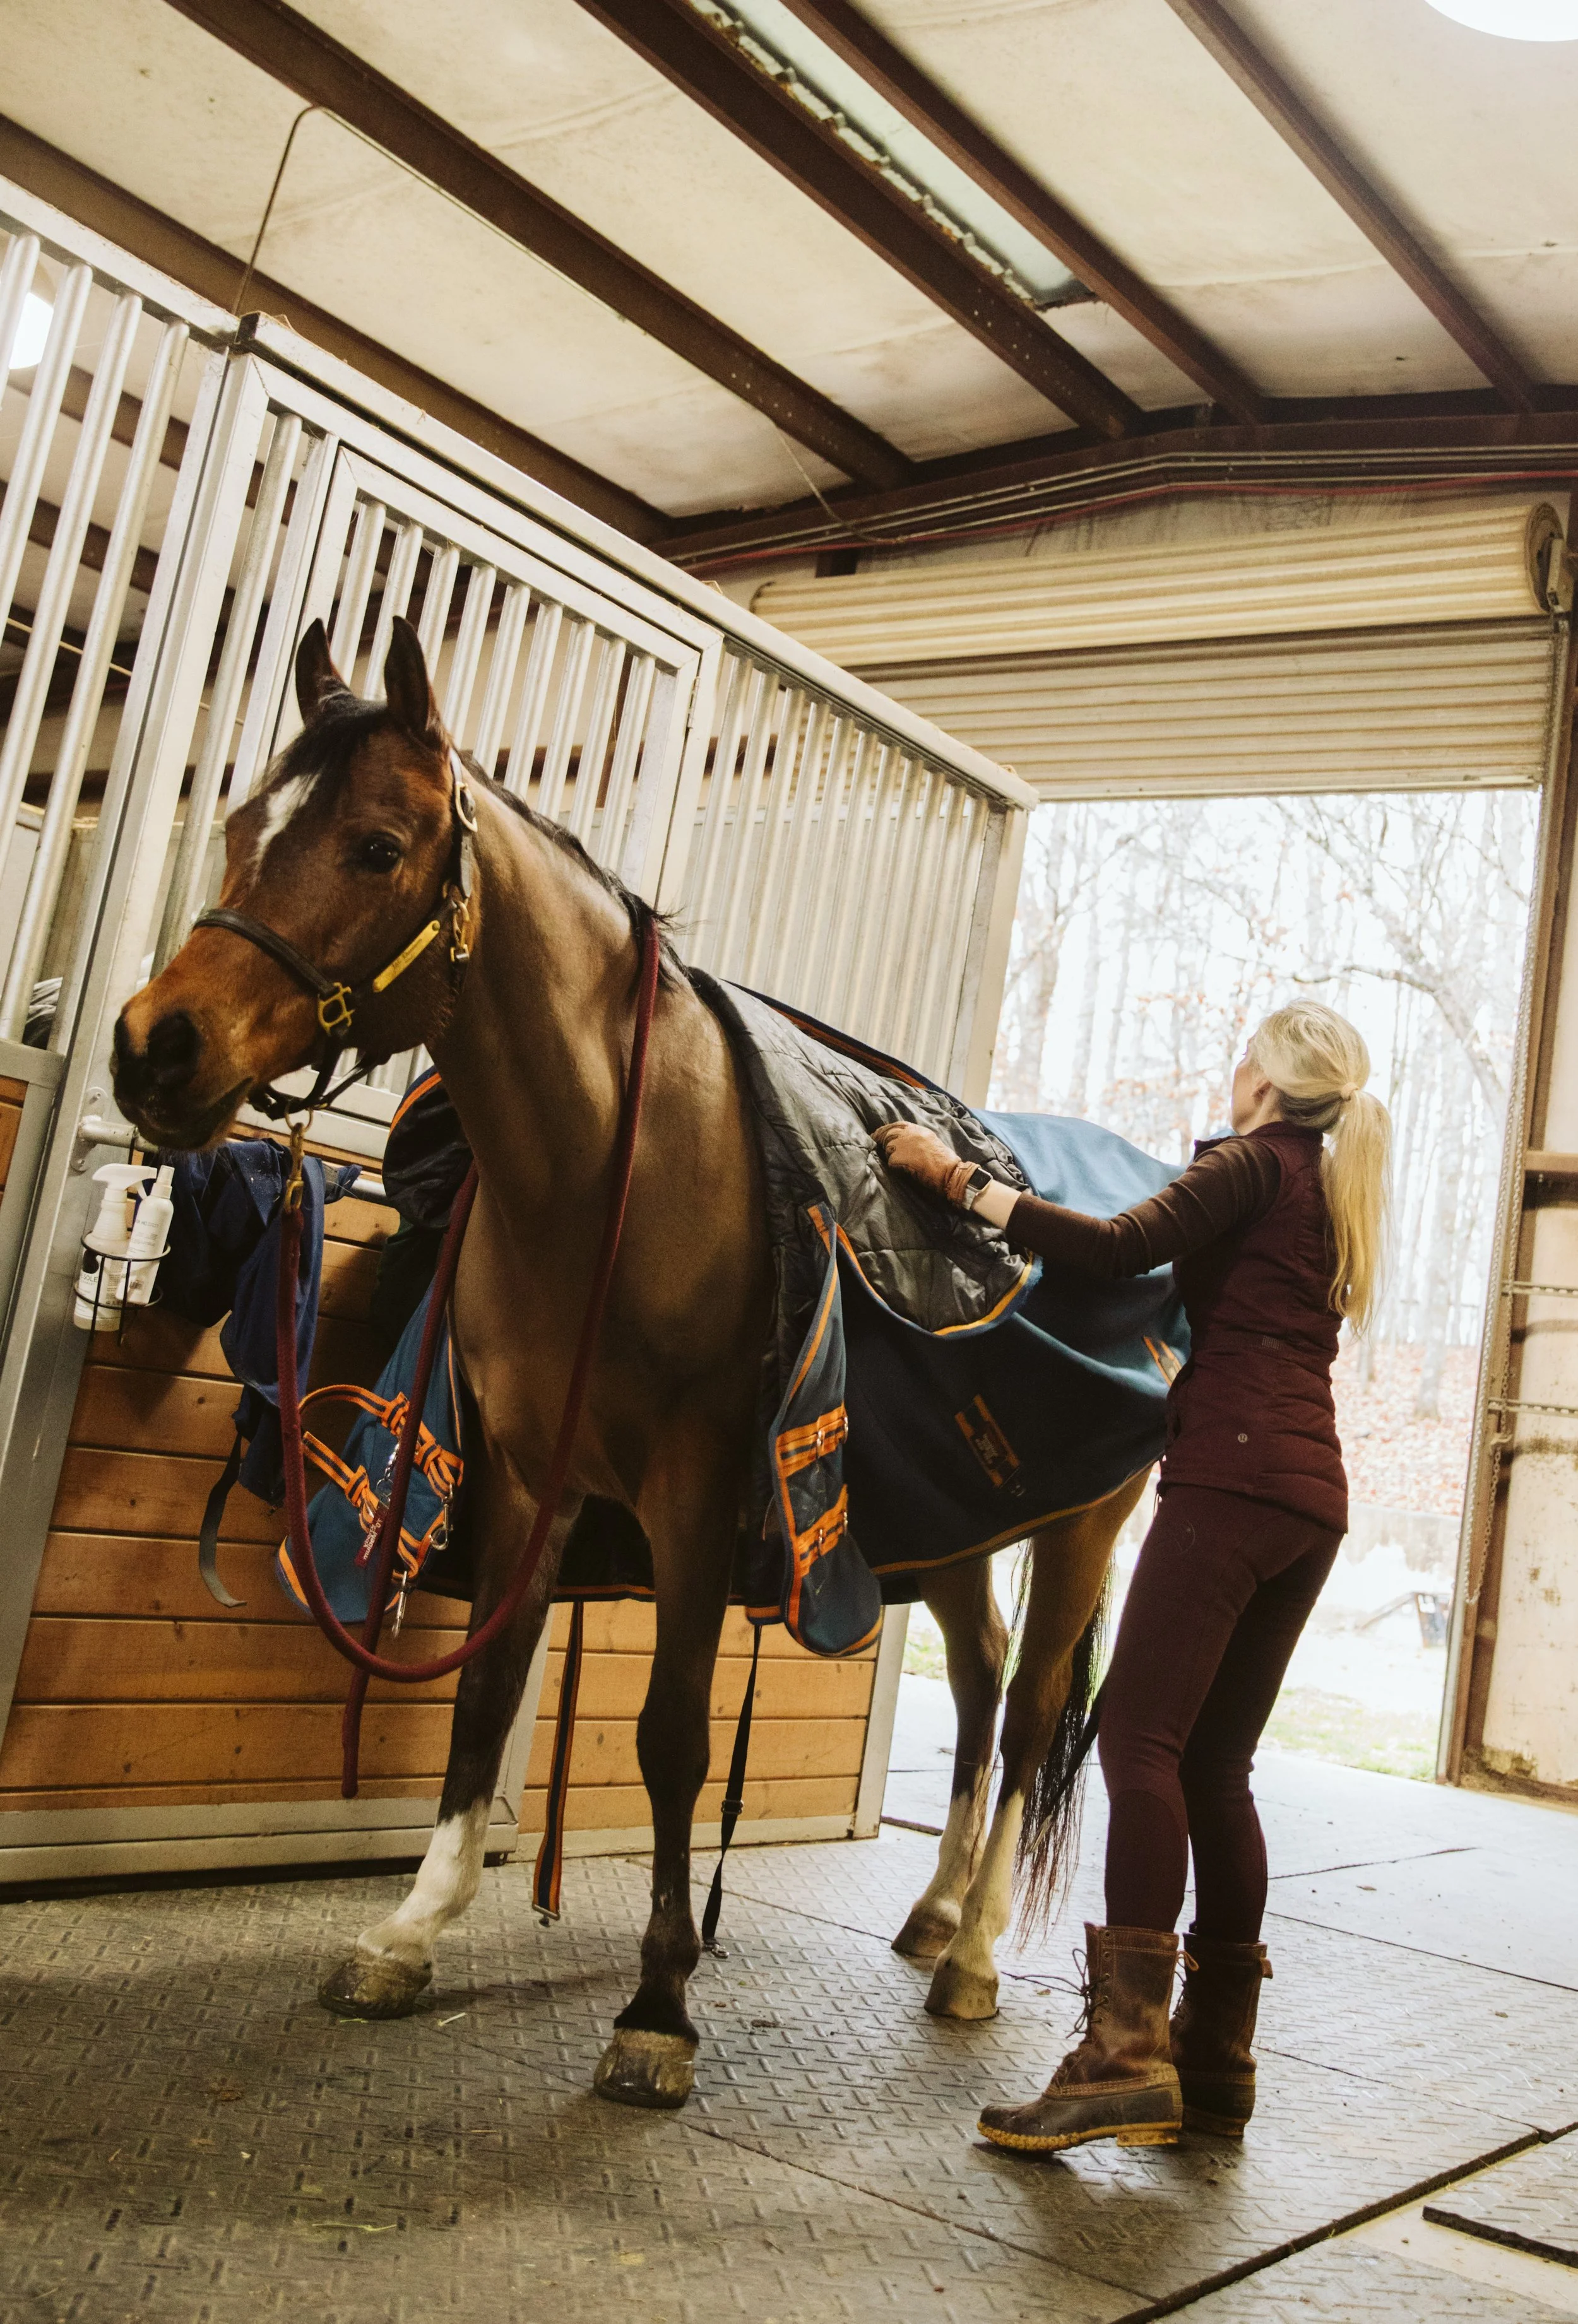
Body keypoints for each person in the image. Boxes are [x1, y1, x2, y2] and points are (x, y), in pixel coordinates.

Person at [877, 1001, 1391, 2154]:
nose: (1233, 1066)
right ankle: (1216, 2060)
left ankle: (1121, 2057)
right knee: (1218, 1764)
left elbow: (1114, 1249)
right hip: (1312, 1504)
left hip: (1230, 1487)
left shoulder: (1256, 1163)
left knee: (1140, 1748)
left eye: (1245, 1053)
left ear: (1269, 1078)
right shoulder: (1329, 1183)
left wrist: (958, 1181)